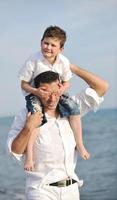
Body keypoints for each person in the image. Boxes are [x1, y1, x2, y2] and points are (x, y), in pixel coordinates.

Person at [7, 65, 109, 200]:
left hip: (72, 190)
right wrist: (28, 127)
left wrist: (69, 67)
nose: (52, 99)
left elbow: (102, 87)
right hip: (41, 190)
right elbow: (14, 151)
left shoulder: (71, 108)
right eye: (46, 93)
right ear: (37, 92)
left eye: (56, 93)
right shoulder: (26, 115)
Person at [19, 26, 89, 171]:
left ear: (61, 49)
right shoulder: (33, 60)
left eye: (53, 45)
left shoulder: (63, 61)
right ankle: (30, 158)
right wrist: (36, 92)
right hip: (36, 94)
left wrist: (59, 91)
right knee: (36, 120)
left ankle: (80, 144)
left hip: (57, 92)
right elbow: (24, 85)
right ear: (41, 42)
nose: (48, 47)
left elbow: (67, 82)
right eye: (46, 43)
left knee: (74, 110)